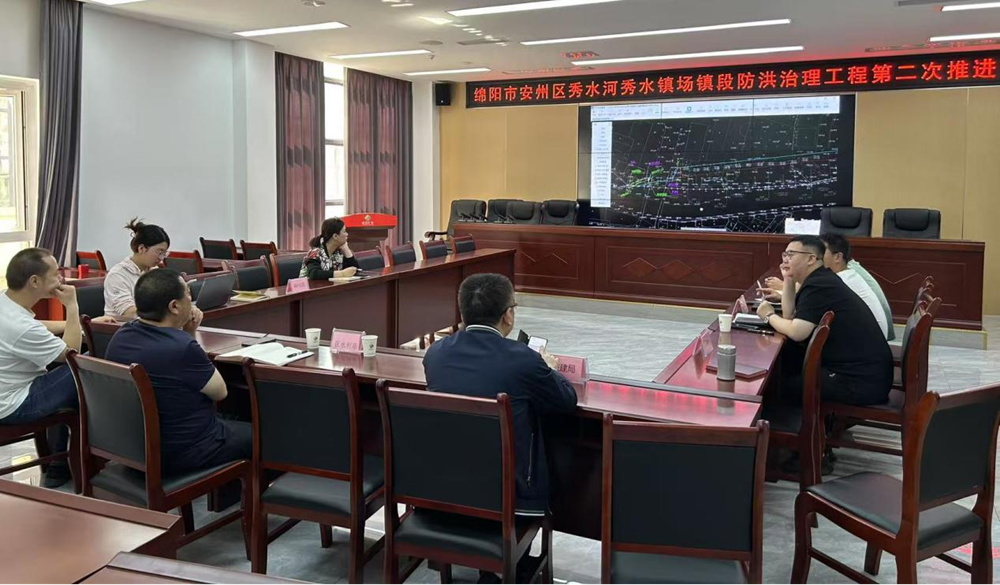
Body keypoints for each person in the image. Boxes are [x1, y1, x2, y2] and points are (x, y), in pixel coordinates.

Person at [423, 274, 577, 585]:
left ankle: (491, 570)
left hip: (443, 488)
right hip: (511, 499)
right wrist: (548, 368)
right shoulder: (524, 360)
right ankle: (506, 568)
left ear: (462, 312)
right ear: (508, 315)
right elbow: (566, 400)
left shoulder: (435, 354)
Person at [104, 269, 250, 475]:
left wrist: (188, 333)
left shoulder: (121, 335)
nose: (192, 300)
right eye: (188, 294)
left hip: (135, 447)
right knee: (265, 436)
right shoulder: (182, 347)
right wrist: (189, 336)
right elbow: (220, 392)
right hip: (185, 450)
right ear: (174, 306)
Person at [0, 248, 114, 487]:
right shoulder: (21, 327)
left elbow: (36, 326)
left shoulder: (5, 303)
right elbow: (71, 353)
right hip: (14, 406)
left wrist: (81, 324)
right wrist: (72, 307)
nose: (61, 279)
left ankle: (60, 464)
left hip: (7, 394)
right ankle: (92, 459)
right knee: (88, 366)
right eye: (55, 274)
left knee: (71, 387)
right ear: (34, 281)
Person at [756, 236, 893, 408]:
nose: (785, 260)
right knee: (785, 363)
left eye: (791, 255)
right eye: (784, 255)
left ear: (811, 259)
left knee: (773, 385)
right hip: (863, 375)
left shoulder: (820, 285)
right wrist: (789, 279)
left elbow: (797, 332)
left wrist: (768, 316)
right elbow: (789, 315)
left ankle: (792, 425)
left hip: (859, 381)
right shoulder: (820, 279)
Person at [818, 234, 891, 340]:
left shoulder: (840, 281)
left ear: (838, 257)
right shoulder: (847, 274)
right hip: (869, 339)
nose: (816, 257)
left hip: (867, 344)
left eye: (821, 252)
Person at [104, 218, 170, 321]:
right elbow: (128, 312)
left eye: (164, 253)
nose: (161, 258)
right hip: (121, 326)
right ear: (141, 248)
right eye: (159, 252)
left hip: (150, 325)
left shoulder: (154, 271)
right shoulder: (118, 275)